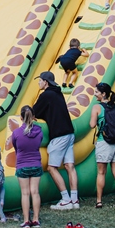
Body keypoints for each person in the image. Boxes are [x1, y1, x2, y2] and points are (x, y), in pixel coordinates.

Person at [32, 70, 79, 211]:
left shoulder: (46, 95)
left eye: (40, 80)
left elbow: (33, 112)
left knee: (51, 168)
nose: (39, 83)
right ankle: (75, 199)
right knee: (70, 166)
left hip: (59, 135)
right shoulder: (58, 93)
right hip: (69, 132)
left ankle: (65, 199)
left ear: (45, 82)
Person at [89, 82, 115, 207]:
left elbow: (92, 125)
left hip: (104, 142)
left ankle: (99, 201)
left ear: (103, 94)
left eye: (96, 92)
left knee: (101, 172)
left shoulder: (97, 107)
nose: (95, 94)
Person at [11, 105, 43, 228]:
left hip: (22, 165)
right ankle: (36, 219)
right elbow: (39, 143)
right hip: (36, 164)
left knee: (25, 193)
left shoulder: (16, 133)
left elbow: (16, 148)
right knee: (35, 192)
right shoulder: (39, 131)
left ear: (21, 117)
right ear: (33, 117)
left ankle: (26, 221)